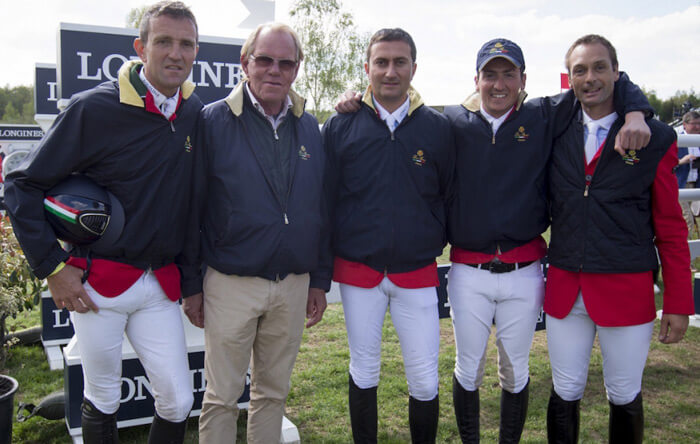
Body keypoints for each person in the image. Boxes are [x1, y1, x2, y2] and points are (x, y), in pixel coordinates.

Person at [3, 2, 201, 443]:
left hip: (159, 286)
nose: (175, 53)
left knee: (179, 400)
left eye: (186, 44)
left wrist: (192, 282)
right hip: (98, 285)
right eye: (163, 41)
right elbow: (21, 186)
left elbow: (191, 205)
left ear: (195, 52)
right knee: (104, 396)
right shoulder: (94, 108)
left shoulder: (192, 112)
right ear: (140, 47)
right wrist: (53, 268)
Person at [442, 39, 652, 443]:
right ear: (476, 79)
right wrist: (352, 99)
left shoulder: (542, 114)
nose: (499, 83)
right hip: (469, 270)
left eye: (508, 74)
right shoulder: (452, 121)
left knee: (516, 369)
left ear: (523, 80)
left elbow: (600, 84)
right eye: (490, 74)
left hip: (524, 271)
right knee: (468, 367)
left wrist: (637, 109)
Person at [180, 23, 328, 444]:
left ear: (297, 69)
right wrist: (192, 284)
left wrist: (318, 279)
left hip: (293, 284)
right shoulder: (212, 121)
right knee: (222, 396)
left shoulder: (309, 127)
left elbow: (320, 209)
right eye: (264, 59)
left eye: (285, 62)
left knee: (273, 393)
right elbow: (192, 209)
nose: (274, 70)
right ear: (245, 63)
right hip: (230, 283)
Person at [544, 34, 694, 443]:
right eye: (580, 70)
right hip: (564, 289)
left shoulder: (656, 138)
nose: (589, 78)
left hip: (626, 289)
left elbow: (670, 227)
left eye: (599, 67)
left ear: (616, 72)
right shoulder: (554, 125)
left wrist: (679, 302)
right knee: (565, 390)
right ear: (569, 77)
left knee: (624, 393)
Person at [322, 28, 454, 444]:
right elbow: (326, 199)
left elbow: (448, 193)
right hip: (359, 271)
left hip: (416, 272)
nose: (390, 71)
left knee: (424, 379)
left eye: (400, 62)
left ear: (414, 68)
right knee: (364, 369)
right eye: (381, 62)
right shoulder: (340, 125)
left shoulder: (437, 127)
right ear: (367, 68)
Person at [675, 110, 700, 238]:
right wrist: (682, 161)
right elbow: (666, 165)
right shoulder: (676, 140)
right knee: (687, 219)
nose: (697, 127)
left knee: (694, 219)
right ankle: (687, 251)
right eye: (694, 124)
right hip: (680, 185)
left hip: (695, 184)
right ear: (684, 124)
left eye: (699, 124)